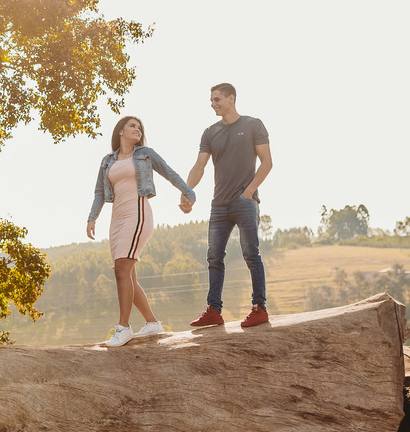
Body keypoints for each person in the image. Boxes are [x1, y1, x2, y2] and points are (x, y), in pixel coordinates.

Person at [87, 116, 197, 347]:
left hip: (138, 214)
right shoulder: (108, 160)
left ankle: (123, 327)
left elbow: (169, 172)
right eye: (132, 126)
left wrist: (189, 193)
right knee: (127, 275)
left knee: (121, 270)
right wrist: (92, 218)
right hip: (117, 219)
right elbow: (99, 192)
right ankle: (152, 323)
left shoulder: (145, 154)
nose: (138, 129)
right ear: (120, 131)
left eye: (140, 127)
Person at [185, 83, 273, 328]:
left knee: (251, 254)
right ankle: (213, 310)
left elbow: (267, 162)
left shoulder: (253, 125)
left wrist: (248, 192)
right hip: (219, 205)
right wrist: (187, 192)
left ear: (231, 99)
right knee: (214, 256)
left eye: (217, 100)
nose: (213, 104)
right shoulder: (210, 132)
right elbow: (199, 166)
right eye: (211, 101)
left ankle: (260, 308)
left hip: (244, 202)